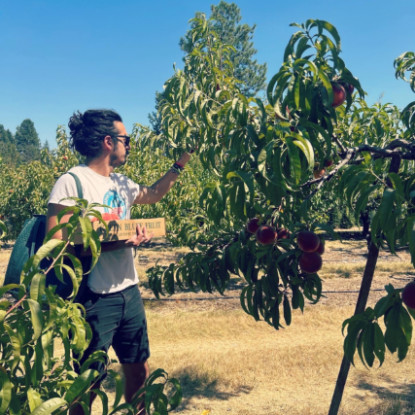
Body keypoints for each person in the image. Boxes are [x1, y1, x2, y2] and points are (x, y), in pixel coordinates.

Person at [46, 109, 191, 414]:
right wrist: (115, 243)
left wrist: (180, 163)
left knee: (138, 372)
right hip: (92, 298)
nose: (130, 145)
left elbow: (153, 194)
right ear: (109, 142)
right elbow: (55, 247)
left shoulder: (122, 184)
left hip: (129, 292)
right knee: (87, 383)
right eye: (127, 139)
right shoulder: (72, 182)